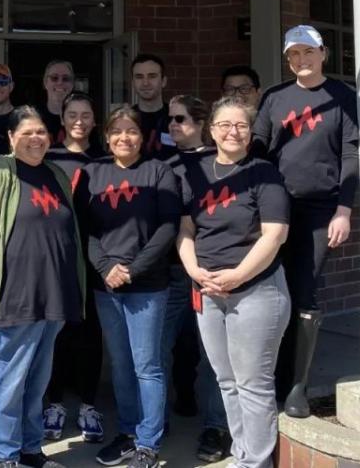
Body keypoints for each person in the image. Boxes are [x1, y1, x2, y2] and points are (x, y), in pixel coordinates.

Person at [0, 107, 85, 468]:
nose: (36, 139)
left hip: (54, 294)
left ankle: (31, 450)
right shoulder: (0, 175)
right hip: (17, 295)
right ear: (11, 137)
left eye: (42, 133)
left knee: (37, 379)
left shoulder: (56, 174)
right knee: (9, 378)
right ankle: (6, 454)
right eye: (27, 132)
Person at [178, 98, 290, 468]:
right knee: (226, 381)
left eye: (241, 125)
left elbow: (274, 235)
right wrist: (193, 269)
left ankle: (255, 462)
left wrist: (237, 275)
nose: (232, 132)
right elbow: (186, 228)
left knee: (253, 385)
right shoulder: (196, 172)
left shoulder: (264, 173)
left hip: (255, 292)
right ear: (211, 130)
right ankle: (243, 454)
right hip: (208, 292)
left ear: (250, 131)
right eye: (224, 125)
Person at [252, 26, 357, 418]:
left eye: (308, 52)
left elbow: (350, 154)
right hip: (275, 205)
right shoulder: (275, 97)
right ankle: (270, 377)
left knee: (305, 290)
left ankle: (297, 385)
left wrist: (343, 210)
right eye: (294, 54)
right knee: (267, 286)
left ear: (323, 53)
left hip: (319, 209)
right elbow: (259, 147)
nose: (301, 60)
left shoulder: (343, 96)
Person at [77, 106, 180, 468]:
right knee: (121, 363)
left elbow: (168, 228)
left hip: (147, 285)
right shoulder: (93, 173)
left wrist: (132, 270)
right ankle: (127, 433)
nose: (124, 137)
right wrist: (106, 267)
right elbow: (83, 228)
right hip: (107, 286)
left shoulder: (159, 171)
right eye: (117, 131)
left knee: (147, 364)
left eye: (132, 130)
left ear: (142, 136)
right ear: (106, 136)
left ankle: (149, 443)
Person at [161, 95, 230, 464]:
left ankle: (216, 426)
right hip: (171, 271)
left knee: (215, 356)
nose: (173, 126)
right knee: (157, 349)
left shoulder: (220, 163)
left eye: (181, 120)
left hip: (213, 274)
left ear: (201, 122)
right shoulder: (164, 164)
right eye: (170, 120)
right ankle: (154, 421)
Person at [42, 92, 105, 445]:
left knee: (90, 334)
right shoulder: (47, 158)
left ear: (95, 121)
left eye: (86, 114)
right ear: (62, 119)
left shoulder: (106, 159)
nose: (79, 120)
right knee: (57, 333)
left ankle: (88, 404)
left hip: (96, 256)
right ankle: (54, 403)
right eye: (72, 114)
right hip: (56, 257)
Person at [131, 54, 174, 158]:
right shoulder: (126, 119)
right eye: (139, 77)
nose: (145, 83)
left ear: (163, 81)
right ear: (133, 83)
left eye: (152, 76)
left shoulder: (177, 118)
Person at [36, 60, 75, 145]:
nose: (60, 82)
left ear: (72, 84)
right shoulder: (33, 116)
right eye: (54, 78)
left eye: (66, 79)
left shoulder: (81, 117)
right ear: (45, 82)